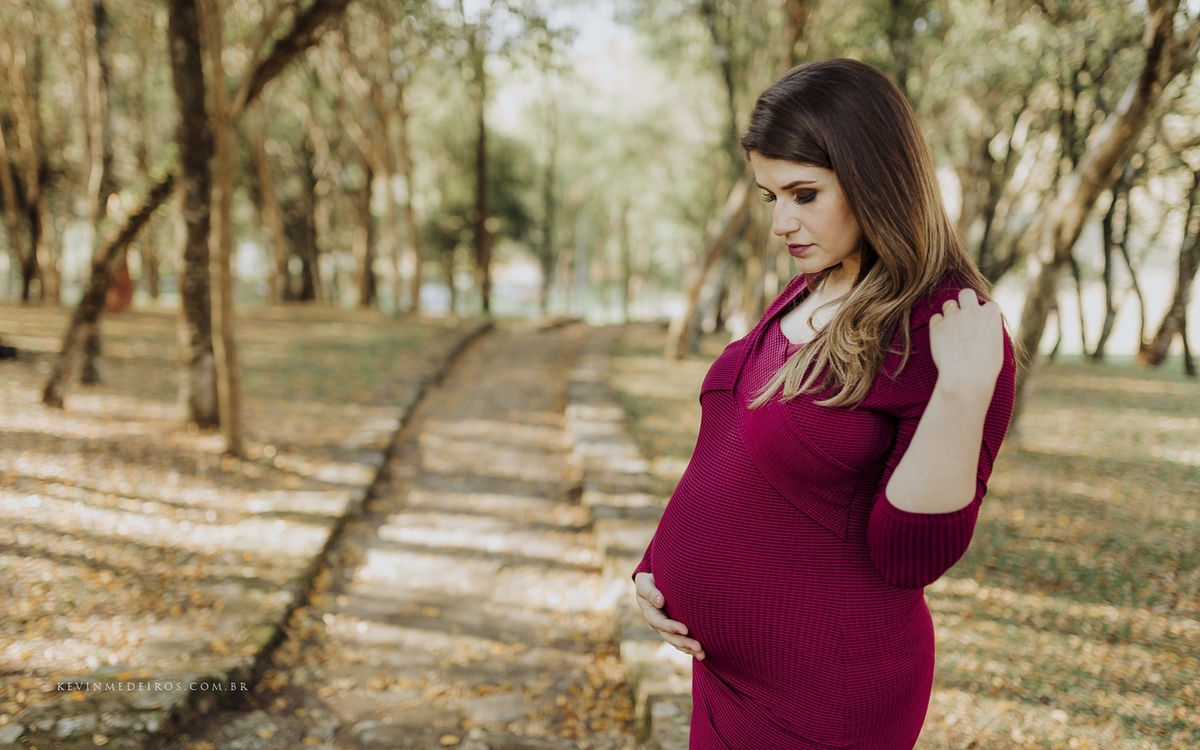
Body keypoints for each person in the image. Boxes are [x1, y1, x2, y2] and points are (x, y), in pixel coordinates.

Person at [632, 58, 1017, 750]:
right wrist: (659, 566)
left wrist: (962, 393)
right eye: (769, 195)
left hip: (824, 696)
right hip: (724, 681)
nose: (781, 222)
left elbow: (908, 557)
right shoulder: (812, 286)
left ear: (874, 177)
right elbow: (730, 448)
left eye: (803, 194)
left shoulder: (944, 325)